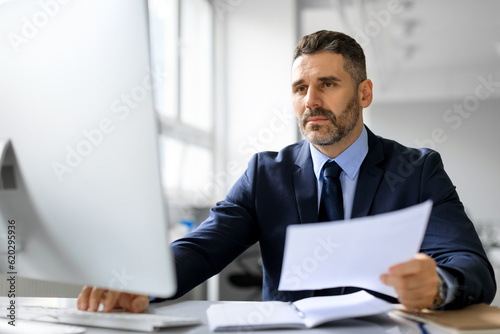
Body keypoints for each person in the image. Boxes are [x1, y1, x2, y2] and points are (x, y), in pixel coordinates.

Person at [77, 30, 496, 313]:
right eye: (300, 88)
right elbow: (202, 248)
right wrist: (140, 280)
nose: (310, 101)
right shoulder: (265, 174)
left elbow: (472, 266)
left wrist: (440, 286)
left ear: (364, 93)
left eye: (328, 84)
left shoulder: (417, 170)